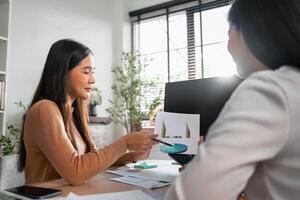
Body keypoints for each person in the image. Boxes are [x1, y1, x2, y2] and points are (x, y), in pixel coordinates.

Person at [164, 0, 300, 199]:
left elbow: (190, 195)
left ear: (252, 30)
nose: (228, 46)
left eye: (229, 33)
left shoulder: (269, 89)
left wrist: (204, 168)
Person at [18, 39, 157, 185]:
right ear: (64, 72)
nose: (93, 79)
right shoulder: (44, 109)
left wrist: (134, 155)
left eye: (93, 72)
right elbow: (75, 172)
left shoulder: (74, 113)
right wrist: (124, 143)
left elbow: (91, 161)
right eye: (86, 72)